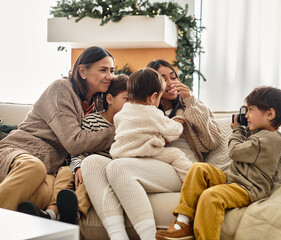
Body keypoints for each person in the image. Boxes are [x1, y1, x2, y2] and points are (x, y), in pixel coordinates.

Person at [81, 59, 222, 240]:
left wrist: (190, 103)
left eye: (173, 77)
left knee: (118, 166)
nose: (170, 82)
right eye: (164, 78)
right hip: (141, 162)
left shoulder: (190, 107)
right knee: (92, 162)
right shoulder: (144, 110)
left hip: (175, 167)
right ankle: (117, 236)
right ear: (154, 92)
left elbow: (212, 141)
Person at [155, 86, 281, 240]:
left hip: (248, 188)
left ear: (270, 114)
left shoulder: (269, 140)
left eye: (251, 110)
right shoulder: (260, 134)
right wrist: (244, 129)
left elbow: (235, 152)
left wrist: (238, 130)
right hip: (235, 180)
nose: (246, 116)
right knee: (199, 168)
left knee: (211, 196)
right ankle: (183, 222)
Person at [0, 46, 116, 223]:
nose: (110, 76)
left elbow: (134, 95)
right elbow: (74, 142)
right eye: (103, 70)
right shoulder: (61, 89)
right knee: (34, 167)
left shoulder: (101, 102)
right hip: (18, 152)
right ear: (83, 71)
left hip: (50, 168)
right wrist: (117, 131)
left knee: (44, 196)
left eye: (112, 70)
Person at [110, 68, 193, 181]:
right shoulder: (152, 113)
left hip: (121, 154)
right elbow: (172, 132)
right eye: (159, 97)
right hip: (144, 153)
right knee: (176, 154)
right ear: (154, 97)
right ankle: (191, 180)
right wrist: (178, 124)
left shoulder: (121, 113)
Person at [69, 74, 129, 219]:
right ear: (109, 99)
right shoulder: (91, 121)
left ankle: (74, 212)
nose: (131, 105)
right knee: (64, 174)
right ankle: (53, 211)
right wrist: (78, 167)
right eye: (127, 99)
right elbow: (79, 150)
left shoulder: (129, 125)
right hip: (84, 164)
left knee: (90, 179)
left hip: (105, 170)